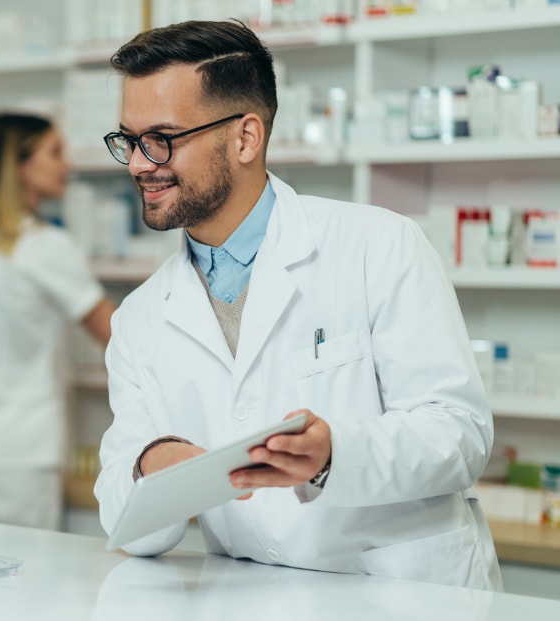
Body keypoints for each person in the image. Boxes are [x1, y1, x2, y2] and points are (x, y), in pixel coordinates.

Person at [93, 20, 502, 590]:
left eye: (161, 138)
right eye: (129, 140)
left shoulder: (378, 245)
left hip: (403, 594)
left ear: (245, 137)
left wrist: (334, 453)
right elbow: (127, 527)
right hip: (257, 598)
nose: (138, 163)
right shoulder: (139, 318)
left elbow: (460, 436)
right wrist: (150, 466)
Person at [0, 112, 114, 531]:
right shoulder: (46, 247)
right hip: (20, 458)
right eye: (55, 152)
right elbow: (118, 337)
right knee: (23, 589)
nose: (67, 165)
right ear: (19, 166)